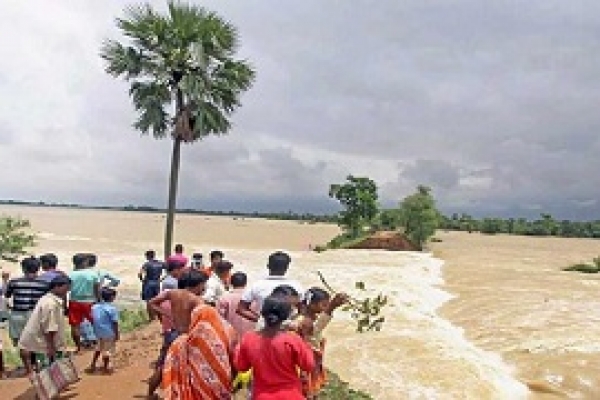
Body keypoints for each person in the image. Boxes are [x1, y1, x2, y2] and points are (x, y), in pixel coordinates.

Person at [234, 295, 315, 400]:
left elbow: (241, 367)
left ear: (262, 313)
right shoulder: (292, 340)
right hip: (291, 395)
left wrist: (237, 349)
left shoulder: (249, 339)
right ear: (286, 316)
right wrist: (306, 341)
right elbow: (308, 365)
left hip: (261, 395)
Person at [146, 270, 208, 398]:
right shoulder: (197, 300)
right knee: (190, 368)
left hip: (173, 333)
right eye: (203, 285)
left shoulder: (172, 293)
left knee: (163, 365)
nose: (204, 287)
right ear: (197, 284)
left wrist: (167, 314)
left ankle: (150, 393)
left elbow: (151, 302)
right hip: (187, 336)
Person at [162, 299, 237, 399]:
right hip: (220, 386)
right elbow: (235, 360)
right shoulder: (228, 333)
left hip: (192, 390)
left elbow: (171, 367)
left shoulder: (182, 342)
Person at [296, 288, 348, 398]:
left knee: (312, 384)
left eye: (327, 304)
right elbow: (316, 329)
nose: (325, 307)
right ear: (312, 304)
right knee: (307, 386)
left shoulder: (309, 315)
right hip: (307, 359)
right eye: (323, 304)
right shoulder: (304, 321)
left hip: (312, 357)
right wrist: (331, 308)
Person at [17, 275, 71, 377]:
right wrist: (51, 347)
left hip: (42, 339)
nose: (66, 292)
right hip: (43, 341)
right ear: (57, 287)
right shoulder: (51, 304)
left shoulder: (47, 299)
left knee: (48, 366)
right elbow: (50, 328)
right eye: (66, 289)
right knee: (46, 368)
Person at [237, 251, 303, 323]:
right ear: (287, 267)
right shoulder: (296, 286)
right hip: (288, 329)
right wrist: (290, 322)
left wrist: (261, 320)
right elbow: (302, 310)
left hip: (263, 328)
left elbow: (241, 309)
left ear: (268, 266)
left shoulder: (257, 285)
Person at [4, 257, 49, 353]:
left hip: (18, 314)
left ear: (23, 268)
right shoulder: (45, 283)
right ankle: (36, 364)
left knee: (20, 341)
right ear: (38, 268)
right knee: (36, 340)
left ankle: (27, 365)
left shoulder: (14, 282)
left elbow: (7, 295)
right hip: (37, 315)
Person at [68, 253, 100, 353]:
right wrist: (99, 300)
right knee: (96, 323)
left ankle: (79, 348)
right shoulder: (92, 274)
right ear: (84, 262)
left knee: (75, 325)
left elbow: (67, 289)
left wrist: (65, 303)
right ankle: (98, 344)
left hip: (74, 301)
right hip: (90, 301)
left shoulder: (70, 275)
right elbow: (97, 289)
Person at [88, 287, 119, 374]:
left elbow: (92, 318)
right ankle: (105, 368)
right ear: (112, 297)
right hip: (108, 332)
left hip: (98, 332)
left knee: (98, 348)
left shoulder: (95, 307)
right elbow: (115, 323)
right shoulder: (112, 309)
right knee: (107, 350)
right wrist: (116, 334)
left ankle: (93, 364)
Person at [217, 272, 258, 338]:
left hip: (230, 335)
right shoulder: (254, 298)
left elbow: (220, 318)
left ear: (231, 283)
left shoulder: (224, 297)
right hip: (250, 336)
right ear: (245, 283)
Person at [138, 250, 165, 320]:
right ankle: (159, 316)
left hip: (148, 284)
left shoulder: (147, 264)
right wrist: (162, 278)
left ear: (147, 256)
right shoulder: (161, 263)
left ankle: (151, 318)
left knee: (149, 301)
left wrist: (142, 279)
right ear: (154, 255)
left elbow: (140, 273)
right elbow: (170, 271)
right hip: (157, 283)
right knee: (157, 300)